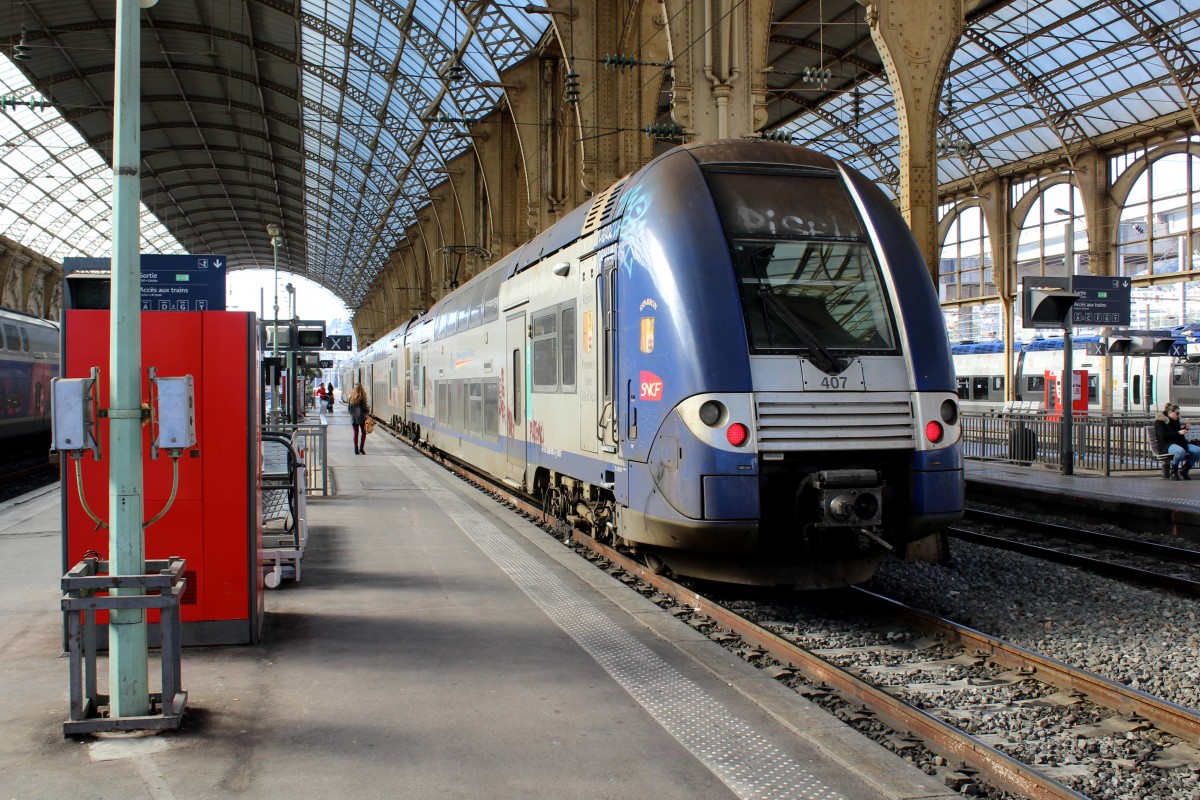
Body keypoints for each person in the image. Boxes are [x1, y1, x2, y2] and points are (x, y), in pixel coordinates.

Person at [1154, 402, 1200, 480]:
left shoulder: (1175, 420)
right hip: (1167, 444)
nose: (1178, 415)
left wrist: (1185, 428)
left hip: (1179, 442)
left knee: (1198, 451)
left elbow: (1177, 433)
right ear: (1171, 412)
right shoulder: (1160, 421)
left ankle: (1185, 469)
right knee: (1180, 451)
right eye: (1177, 413)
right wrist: (1179, 432)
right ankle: (1174, 469)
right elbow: (1163, 435)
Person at [348, 383, 370, 455]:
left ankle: (355, 450)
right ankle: (361, 448)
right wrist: (367, 410)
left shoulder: (351, 396)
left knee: (355, 433)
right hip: (361, 418)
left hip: (353, 418)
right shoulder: (362, 397)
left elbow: (349, 409)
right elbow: (364, 408)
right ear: (361, 389)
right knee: (363, 433)